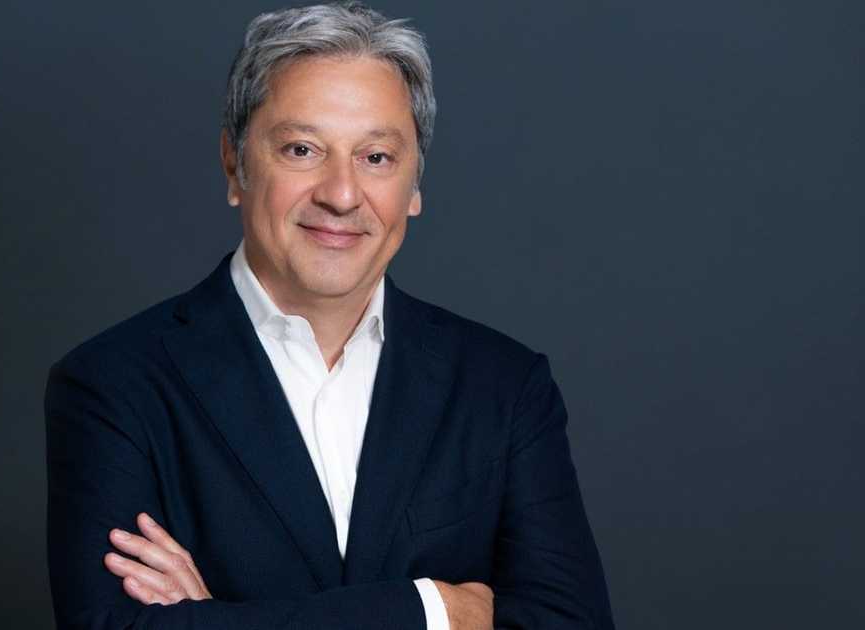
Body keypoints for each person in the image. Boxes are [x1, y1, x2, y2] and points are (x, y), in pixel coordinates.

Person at [44, 2, 615, 628]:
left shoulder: (503, 385)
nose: (341, 195)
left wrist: (218, 619)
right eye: (302, 149)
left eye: (377, 158)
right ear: (235, 164)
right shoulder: (113, 384)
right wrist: (434, 608)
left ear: (414, 186)